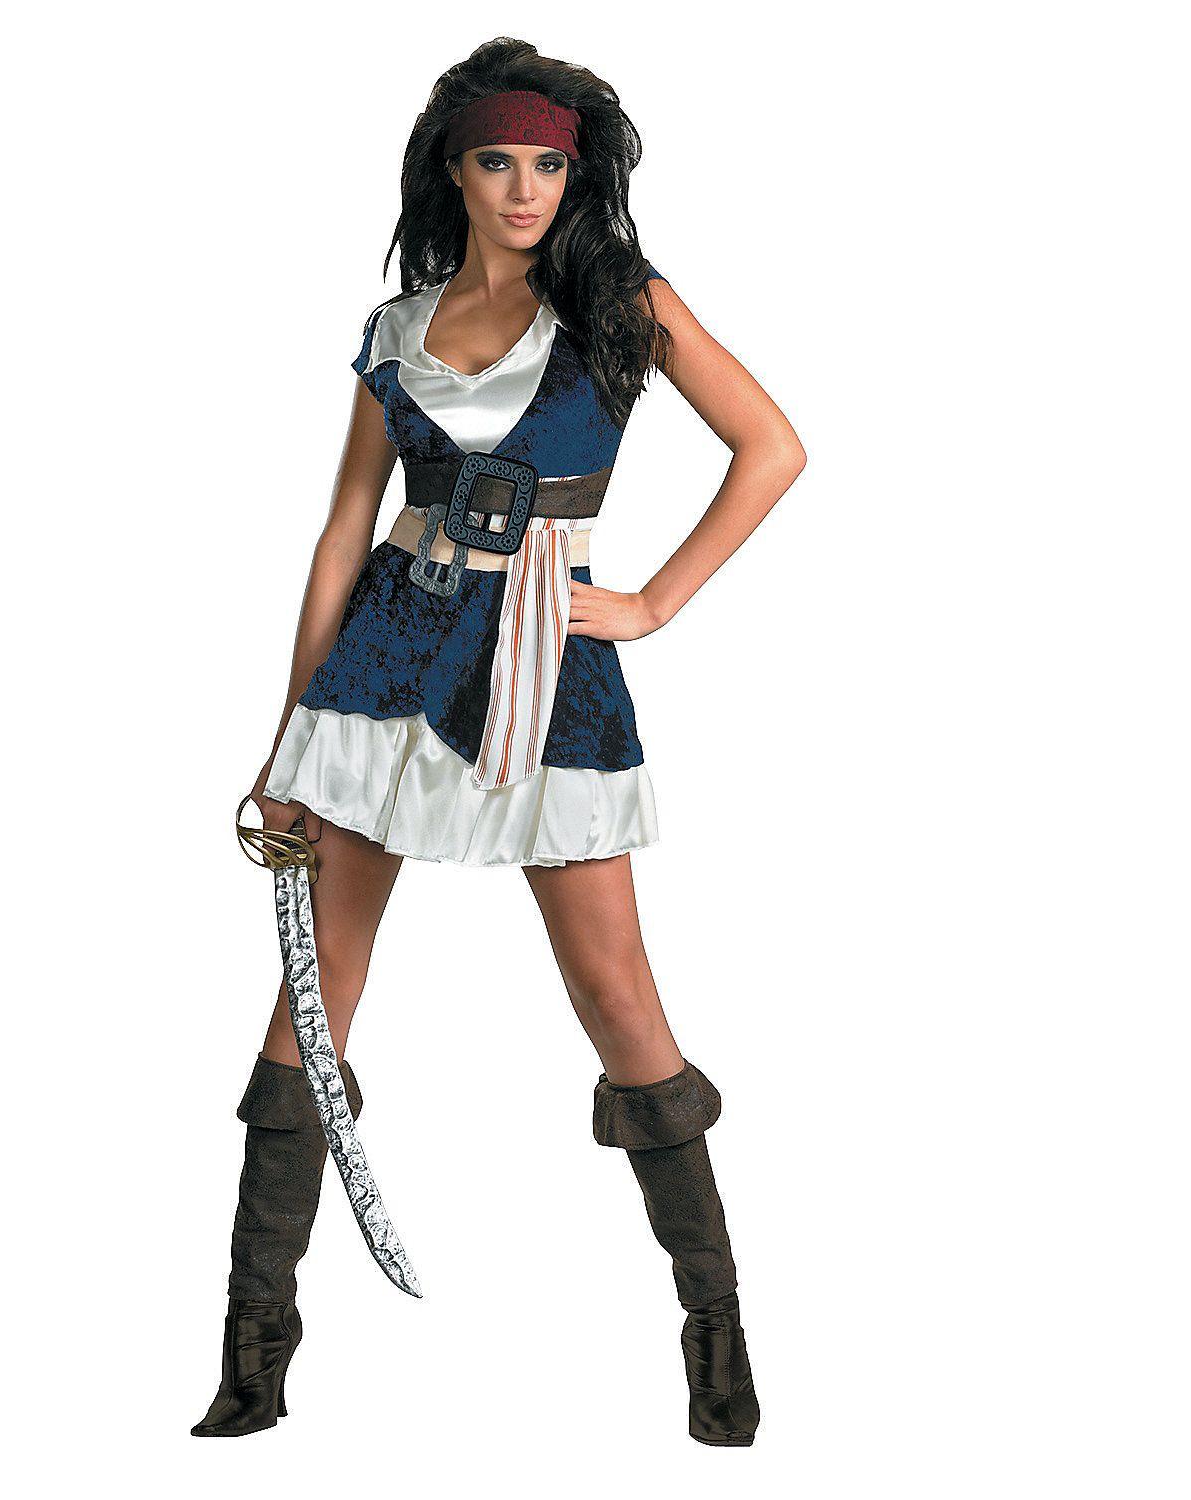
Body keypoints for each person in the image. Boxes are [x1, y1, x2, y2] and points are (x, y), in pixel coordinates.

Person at [191, 37, 806, 1446]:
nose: (526, 189)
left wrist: (650, 602)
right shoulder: (398, 326)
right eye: (496, 161)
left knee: (619, 996)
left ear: (574, 176)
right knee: (310, 996)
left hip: (549, 667)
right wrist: (287, 737)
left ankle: (716, 1338)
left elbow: (771, 445)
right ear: (453, 174)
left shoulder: (621, 302)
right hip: (385, 657)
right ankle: (252, 1352)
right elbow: (345, 528)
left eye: (548, 165)